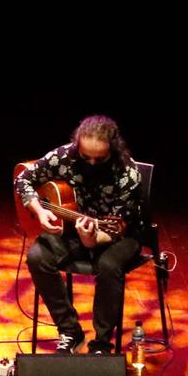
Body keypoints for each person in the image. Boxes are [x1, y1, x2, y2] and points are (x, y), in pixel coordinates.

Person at [15, 114, 148, 353]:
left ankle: (101, 343)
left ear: (113, 149)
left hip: (119, 233)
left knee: (108, 265)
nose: (91, 163)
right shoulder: (64, 156)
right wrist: (39, 209)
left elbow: (118, 227)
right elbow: (23, 178)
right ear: (78, 146)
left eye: (100, 159)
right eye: (86, 157)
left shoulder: (127, 174)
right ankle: (69, 331)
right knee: (38, 257)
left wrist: (91, 240)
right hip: (73, 226)